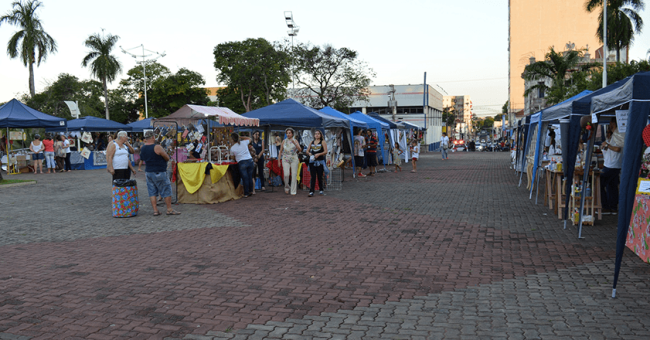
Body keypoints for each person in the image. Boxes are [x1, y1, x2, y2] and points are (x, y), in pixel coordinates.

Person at [140, 131, 180, 216]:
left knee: (152, 192)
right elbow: (166, 157)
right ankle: (169, 209)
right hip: (159, 171)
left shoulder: (143, 148)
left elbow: (142, 159)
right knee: (166, 189)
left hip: (148, 171)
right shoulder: (157, 147)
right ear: (153, 137)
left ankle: (155, 210)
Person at [600, 119, 625, 215]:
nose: (609, 125)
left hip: (612, 165)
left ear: (614, 124)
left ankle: (606, 206)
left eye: (610, 123)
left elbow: (617, 148)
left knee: (601, 183)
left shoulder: (618, 134)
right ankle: (613, 207)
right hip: (612, 164)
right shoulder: (615, 135)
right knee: (612, 186)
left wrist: (607, 145)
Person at [229, 133, 255, 197]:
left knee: (245, 178)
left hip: (242, 162)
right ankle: (251, 191)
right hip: (250, 160)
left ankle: (246, 193)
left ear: (232, 139)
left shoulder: (232, 148)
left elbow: (232, 158)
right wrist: (241, 137)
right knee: (249, 177)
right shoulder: (244, 142)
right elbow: (250, 139)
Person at [278, 127, 301, 195]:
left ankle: (293, 190)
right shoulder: (284, 141)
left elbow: (300, 150)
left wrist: (295, 143)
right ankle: (287, 187)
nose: (288, 134)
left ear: (292, 134)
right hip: (285, 158)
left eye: (289, 133)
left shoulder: (295, 140)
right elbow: (280, 151)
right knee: (286, 174)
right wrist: (279, 160)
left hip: (294, 158)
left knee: (294, 174)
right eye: (287, 133)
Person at [306, 130, 328, 197]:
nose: (317, 135)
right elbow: (307, 150)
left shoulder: (323, 142)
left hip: (320, 161)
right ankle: (311, 191)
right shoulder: (311, 142)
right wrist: (309, 153)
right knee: (313, 176)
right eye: (316, 134)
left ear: (321, 135)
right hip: (312, 161)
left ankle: (321, 189)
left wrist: (319, 154)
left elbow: (326, 151)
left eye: (318, 134)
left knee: (320, 176)